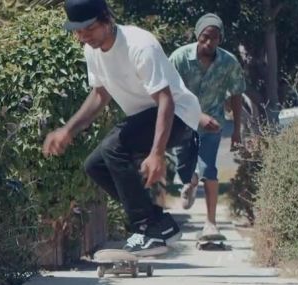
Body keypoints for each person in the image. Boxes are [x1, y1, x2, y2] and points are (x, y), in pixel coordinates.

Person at [42, 0, 202, 256]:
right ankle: (159, 224)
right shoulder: (91, 51)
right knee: (95, 165)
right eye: (78, 32)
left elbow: (165, 100)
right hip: (146, 116)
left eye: (90, 29)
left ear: (107, 19)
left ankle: (147, 227)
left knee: (113, 146)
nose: (84, 37)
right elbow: (99, 95)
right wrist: (68, 130)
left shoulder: (140, 45)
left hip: (179, 115)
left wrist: (157, 153)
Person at [169, 13, 246, 241]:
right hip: (182, 122)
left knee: (209, 169)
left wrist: (237, 131)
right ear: (197, 35)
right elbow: (169, 92)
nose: (209, 43)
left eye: (214, 38)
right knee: (185, 167)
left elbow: (236, 94)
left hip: (213, 123)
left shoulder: (228, 62)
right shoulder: (179, 58)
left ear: (220, 39)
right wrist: (196, 115)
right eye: (204, 37)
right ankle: (189, 182)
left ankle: (210, 223)